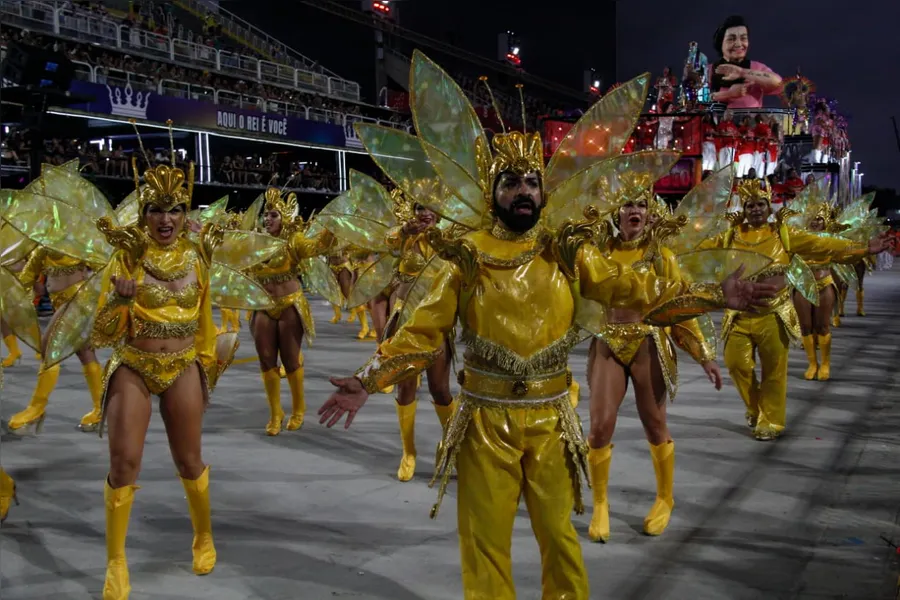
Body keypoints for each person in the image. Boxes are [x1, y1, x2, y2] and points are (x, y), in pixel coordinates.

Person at [317, 51, 777, 599]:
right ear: (493, 192)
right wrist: (368, 380)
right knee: (484, 546)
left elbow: (636, 292)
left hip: (551, 420)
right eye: (510, 183)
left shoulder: (566, 248)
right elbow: (421, 333)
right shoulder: (466, 256)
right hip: (485, 421)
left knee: (560, 541)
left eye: (531, 183)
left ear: (543, 190)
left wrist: (712, 296)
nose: (523, 192)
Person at [91, 162, 232, 599]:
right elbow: (102, 332)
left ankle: (204, 535)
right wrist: (119, 297)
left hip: (183, 366)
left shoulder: (199, 256)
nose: (165, 219)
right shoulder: (125, 257)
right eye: (155, 209)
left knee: (190, 461)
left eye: (173, 209)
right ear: (143, 212)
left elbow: (206, 322)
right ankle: (116, 561)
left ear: (184, 211)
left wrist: (208, 367)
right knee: (123, 464)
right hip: (133, 364)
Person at [699, 180, 892, 440]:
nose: (755, 209)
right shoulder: (729, 236)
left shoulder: (783, 234)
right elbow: (697, 253)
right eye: (750, 205)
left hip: (773, 314)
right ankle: (755, 407)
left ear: (769, 206)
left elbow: (823, 244)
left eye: (760, 204)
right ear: (743, 208)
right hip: (739, 316)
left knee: (774, 370)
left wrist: (864, 248)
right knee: (737, 365)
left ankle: (771, 421)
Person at [585, 182, 722, 543]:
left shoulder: (663, 256)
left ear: (650, 213)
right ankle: (600, 504)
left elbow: (680, 306)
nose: (634, 210)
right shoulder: (599, 250)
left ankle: (665, 498)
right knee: (599, 427)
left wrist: (703, 355)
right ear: (616, 213)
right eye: (627, 203)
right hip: (608, 340)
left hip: (648, 340)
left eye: (641, 205)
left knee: (654, 424)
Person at [246, 188, 335, 436]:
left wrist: (330, 232)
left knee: (290, 359)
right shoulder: (255, 241)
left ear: (284, 218)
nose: (268, 219)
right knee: (265, 359)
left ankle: (298, 409)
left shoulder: (294, 240)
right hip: (263, 305)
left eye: (273, 215)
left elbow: (315, 247)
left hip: (289, 304)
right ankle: (276, 412)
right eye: (266, 215)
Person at [710, 15, 782, 108]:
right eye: (731, 39)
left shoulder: (756, 67)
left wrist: (742, 72)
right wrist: (729, 94)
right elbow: (695, 100)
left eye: (743, 38)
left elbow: (778, 82)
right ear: (720, 43)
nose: (739, 44)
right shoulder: (708, 70)